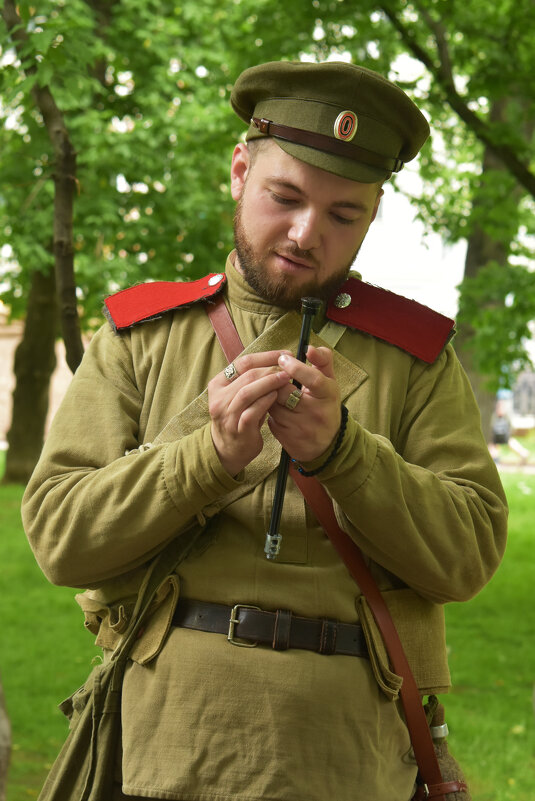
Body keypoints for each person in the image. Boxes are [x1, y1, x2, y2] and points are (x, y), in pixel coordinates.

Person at [21, 61, 507, 801]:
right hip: (164, 750)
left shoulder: (414, 359)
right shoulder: (140, 337)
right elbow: (59, 535)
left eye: (344, 214)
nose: (306, 232)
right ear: (239, 171)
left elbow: (468, 556)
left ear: (371, 217)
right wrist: (206, 457)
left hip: (348, 759)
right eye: (285, 197)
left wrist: (344, 453)